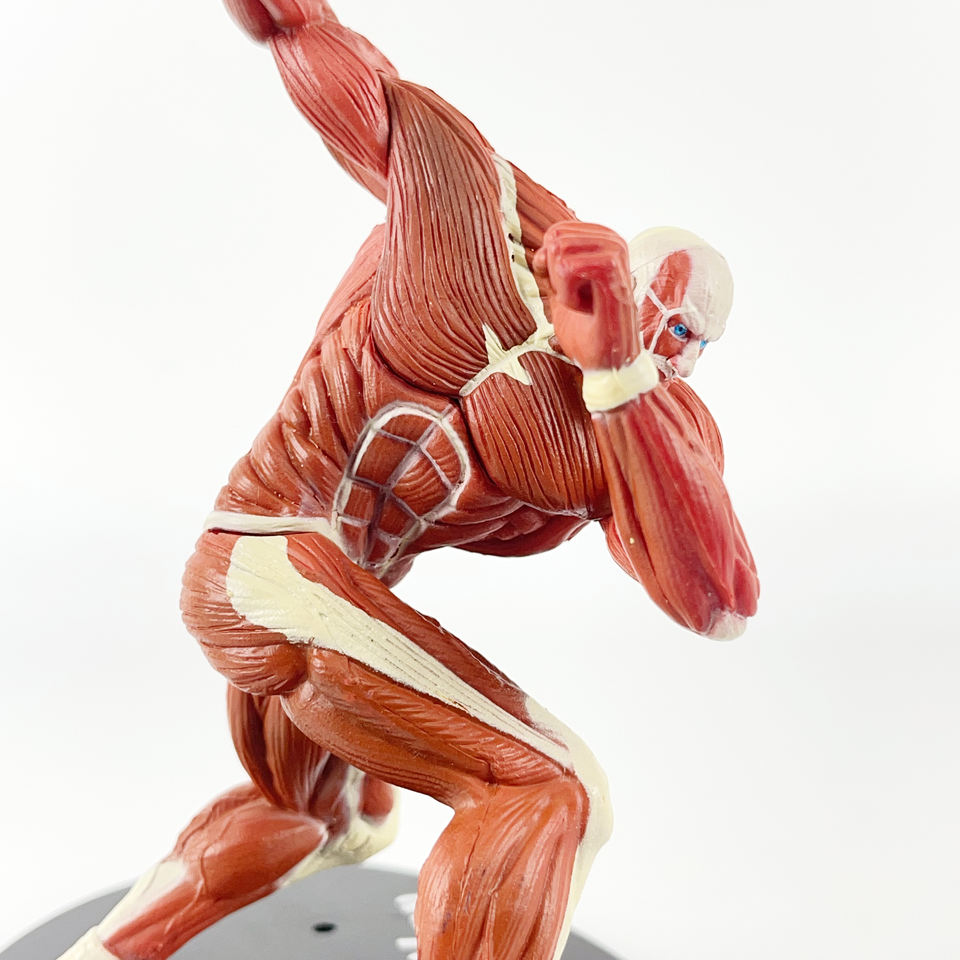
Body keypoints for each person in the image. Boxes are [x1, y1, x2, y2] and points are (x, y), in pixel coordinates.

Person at [61, 3, 758, 958]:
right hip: (263, 558)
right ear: (624, 273)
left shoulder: (639, 419)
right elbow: (325, 57)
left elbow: (717, 602)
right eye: (664, 319)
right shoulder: (481, 225)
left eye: (691, 342)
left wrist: (619, 379)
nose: (671, 350)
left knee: (333, 822)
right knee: (548, 791)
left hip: (335, 595)